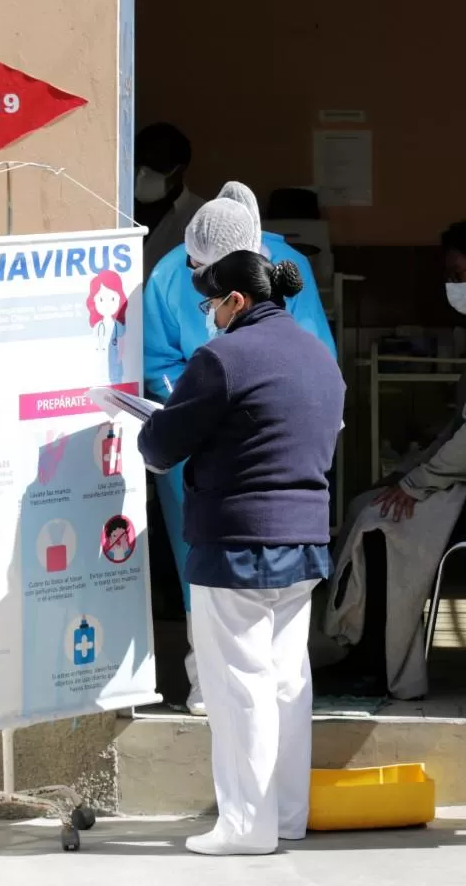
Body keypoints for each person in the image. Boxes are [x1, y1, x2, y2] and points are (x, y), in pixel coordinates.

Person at [137, 251, 344, 857]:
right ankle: (285, 816)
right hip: (304, 544)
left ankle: (244, 827)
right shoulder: (318, 358)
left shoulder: (221, 359)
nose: (207, 314)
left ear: (236, 301)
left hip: (235, 545)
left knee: (238, 686)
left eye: (210, 303)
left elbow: (162, 445)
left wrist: (154, 427)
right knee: (286, 680)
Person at [316, 218, 466, 701]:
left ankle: (380, 668)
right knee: (365, 505)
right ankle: (361, 650)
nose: (453, 285)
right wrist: (409, 472)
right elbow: (463, 424)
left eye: (460, 274)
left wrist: (417, 483)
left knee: (380, 527)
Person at [144, 188, 335, 714]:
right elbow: (159, 360)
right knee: (282, 680)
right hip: (270, 480)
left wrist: (207, 404)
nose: (197, 284)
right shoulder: (168, 275)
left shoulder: (278, 273)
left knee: (241, 687)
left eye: (208, 288)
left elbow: (313, 358)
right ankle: (208, 678)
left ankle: (218, 688)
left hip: (231, 467)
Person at [135, 122, 207, 277]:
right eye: (139, 163)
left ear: (179, 170)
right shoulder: (119, 207)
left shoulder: (200, 216)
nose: (143, 172)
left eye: (156, 165)